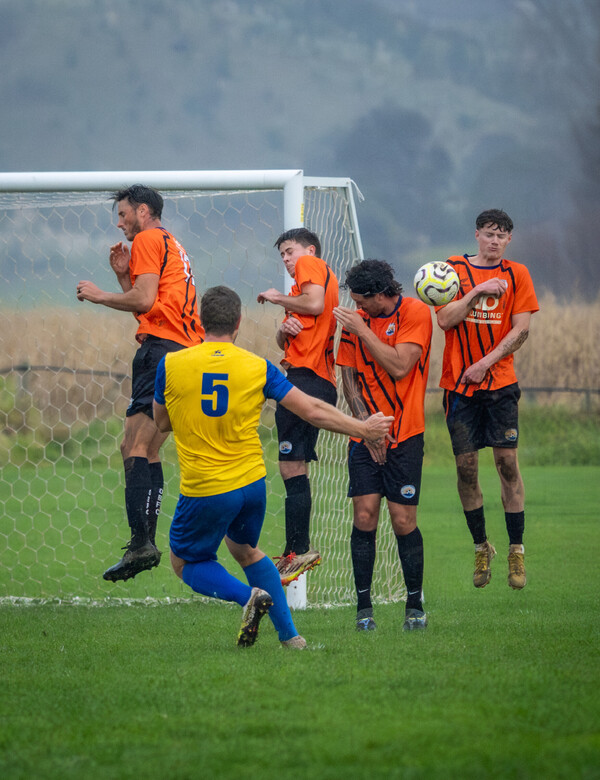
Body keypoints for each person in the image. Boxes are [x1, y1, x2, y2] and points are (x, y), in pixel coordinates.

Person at [153, 285, 393, 648]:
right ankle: (291, 638)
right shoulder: (258, 367)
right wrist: (363, 428)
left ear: (202, 322)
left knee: (184, 561)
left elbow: (161, 423)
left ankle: (248, 597)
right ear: (238, 323)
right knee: (246, 550)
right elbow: (312, 409)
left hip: (206, 488)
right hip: (252, 486)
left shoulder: (170, 365)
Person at [76, 184, 203, 582]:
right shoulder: (170, 242)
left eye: (123, 214)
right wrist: (122, 275)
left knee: (133, 446)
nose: (120, 222)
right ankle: (143, 541)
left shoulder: (148, 237)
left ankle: (140, 543)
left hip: (161, 352)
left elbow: (146, 301)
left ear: (143, 211)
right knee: (145, 449)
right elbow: (154, 301)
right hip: (184, 352)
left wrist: (99, 295)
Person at [436, 209, 539, 590]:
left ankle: (516, 550)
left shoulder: (518, 274)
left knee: (507, 463)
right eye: (489, 234)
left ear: (509, 240)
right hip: (459, 387)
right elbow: (445, 319)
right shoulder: (452, 270)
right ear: (476, 234)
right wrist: (478, 290)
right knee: (466, 469)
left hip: (499, 384)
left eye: (502, 235)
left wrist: (485, 363)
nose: (495, 241)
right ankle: (481, 547)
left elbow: (522, 330)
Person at [334, 259, 432, 632]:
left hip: (406, 435)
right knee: (364, 516)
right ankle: (363, 609)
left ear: (379, 295)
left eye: (362, 300)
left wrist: (363, 329)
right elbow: (349, 380)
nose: (357, 306)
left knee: (404, 521)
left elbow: (400, 366)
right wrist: (366, 428)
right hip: (365, 435)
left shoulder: (415, 313)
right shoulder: (352, 322)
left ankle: (414, 606)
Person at [257, 228, 339, 586]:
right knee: (294, 466)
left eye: (290, 252)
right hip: (310, 376)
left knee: (290, 465)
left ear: (310, 250)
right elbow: (292, 334)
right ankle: (297, 550)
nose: (288, 260)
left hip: (306, 379)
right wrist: (284, 329)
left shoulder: (312, 266)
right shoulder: (299, 292)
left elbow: (317, 305)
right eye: (283, 256)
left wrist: (276, 299)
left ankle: (296, 552)